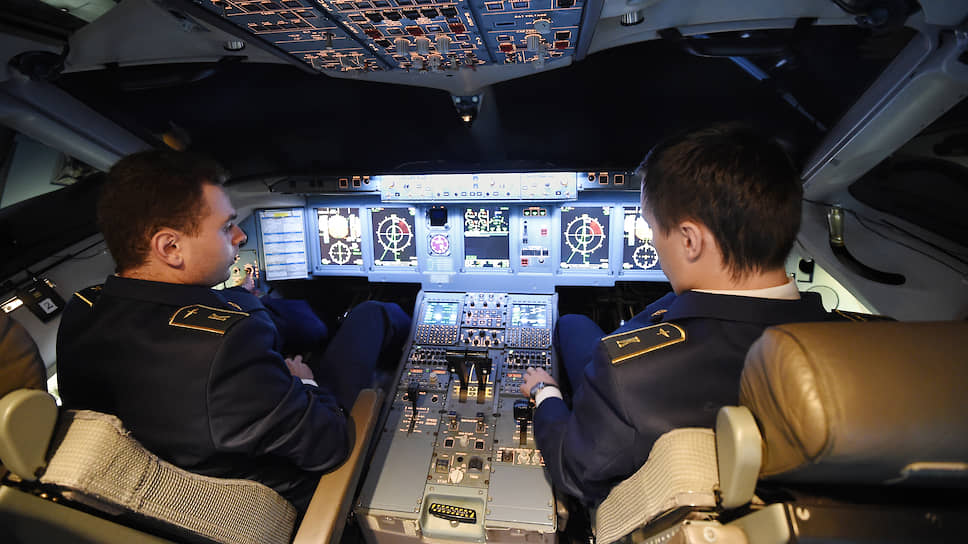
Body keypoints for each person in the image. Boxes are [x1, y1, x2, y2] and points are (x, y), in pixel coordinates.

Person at [56, 149, 410, 513]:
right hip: (297, 489)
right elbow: (331, 445)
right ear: (170, 247)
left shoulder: (83, 308)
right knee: (372, 314)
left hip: (204, 457)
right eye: (226, 226)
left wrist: (244, 302)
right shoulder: (227, 347)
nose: (240, 235)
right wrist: (305, 382)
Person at [520, 123, 832, 506]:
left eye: (651, 227)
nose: (652, 241)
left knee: (571, 326)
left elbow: (573, 471)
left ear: (690, 240)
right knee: (572, 325)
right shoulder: (859, 343)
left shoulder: (628, 376)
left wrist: (546, 393)